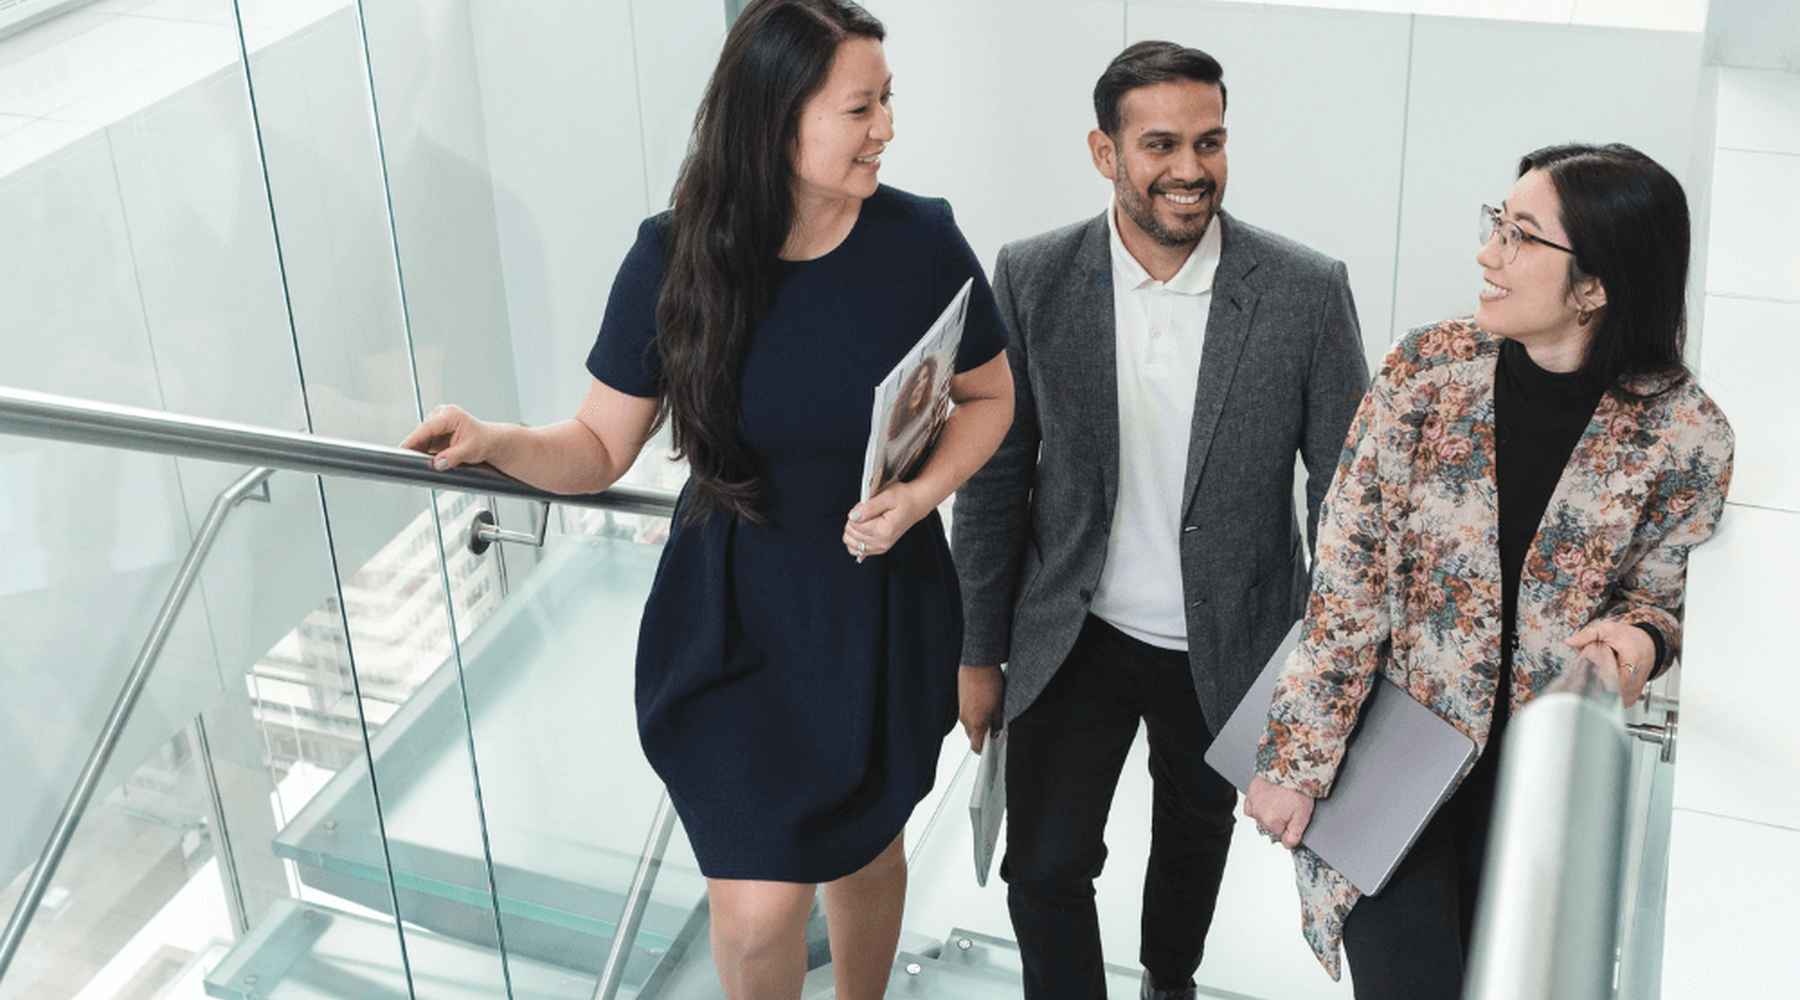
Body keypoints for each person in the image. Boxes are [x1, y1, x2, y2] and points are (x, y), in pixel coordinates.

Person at [400, 2, 1013, 997]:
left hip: (880, 603)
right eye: (862, 108)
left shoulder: (921, 243)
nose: (887, 129)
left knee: (865, 847)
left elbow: (990, 394)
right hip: (736, 621)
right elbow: (599, 445)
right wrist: (496, 441)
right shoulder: (672, 256)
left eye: (887, 101)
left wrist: (923, 492)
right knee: (759, 911)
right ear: (777, 121)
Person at [1244, 143, 1736, 997]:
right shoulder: (1426, 372)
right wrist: (1296, 757)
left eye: (1521, 237)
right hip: (1394, 757)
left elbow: (1660, 597)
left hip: (1541, 791)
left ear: (1596, 285)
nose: (1488, 253)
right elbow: (1347, 581)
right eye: (1496, 225)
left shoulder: (1685, 436)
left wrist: (1643, 642)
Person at [951, 41, 1369, 1000]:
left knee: (1191, 845)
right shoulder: (1031, 276)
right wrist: (978, 651)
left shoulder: (1305, 292)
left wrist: (1319, 678)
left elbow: (1348, 502)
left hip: (1229, 643)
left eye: (1211, 141)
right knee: (1044, 868)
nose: (1191, 170)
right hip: (1075, 632)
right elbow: (994, 479)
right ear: (1106, 153)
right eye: (1162, 144)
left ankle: (1168, 983)